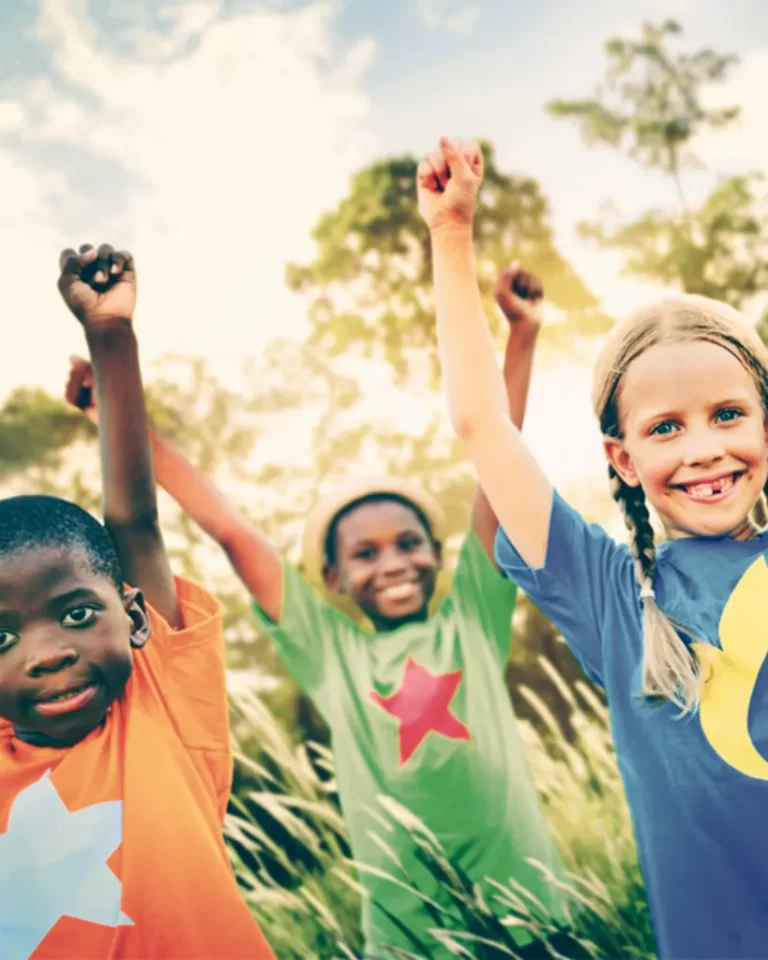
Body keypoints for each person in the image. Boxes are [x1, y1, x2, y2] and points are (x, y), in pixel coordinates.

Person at [65, 266, 572, 958]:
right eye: (365, 554)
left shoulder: (473, 619)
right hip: (413, 934)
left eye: (408, 544)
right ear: (331, 578)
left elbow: (497, 466)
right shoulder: (329, 651)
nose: (391, 561)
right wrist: (123, 425)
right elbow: (236, 534)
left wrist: (522, 336)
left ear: (437, 554)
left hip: (531, 910)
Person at [419, 134, 768, 960]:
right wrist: (452, 233)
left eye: (728, 414)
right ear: (623, 458)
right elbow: (480, 424)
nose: (703, 450)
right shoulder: (613, 596)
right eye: (665, 429)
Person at [0, 244, 275, 960]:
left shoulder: (158, 704)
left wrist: (111, 338)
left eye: (76, 613)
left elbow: (135, 523)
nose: (48, 651)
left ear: (134, 613)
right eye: (1, 639)